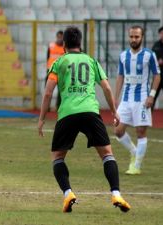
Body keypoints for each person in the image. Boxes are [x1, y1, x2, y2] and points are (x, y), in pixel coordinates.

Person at [38, 26, 130, 213]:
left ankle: (68, 193)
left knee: (57, 157)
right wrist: (114, 111)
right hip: (90, 111)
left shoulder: (59, 62)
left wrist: (41, 119)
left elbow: (48, 93)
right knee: (107, 154)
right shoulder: (91, 60)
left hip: (68, 113)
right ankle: (116, 193)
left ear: (64, 44)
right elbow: (106, 88)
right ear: (80, 43)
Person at [114, 25, 160, 175]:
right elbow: (120, 76)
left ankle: (137, 166)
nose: (134, 39)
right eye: (131, 37)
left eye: (137, 37)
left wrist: (152, 95)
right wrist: (116, 98)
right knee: (118, 130)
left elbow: (157, 75)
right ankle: (133, 152)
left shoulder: (149, 55)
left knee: (140, 131)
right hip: (126, 99)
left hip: (142, 99)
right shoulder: (123, 56)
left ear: (142, 38)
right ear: (129, 37)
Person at [46, 30, 65, 110]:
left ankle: (58, 107)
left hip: (61, 72)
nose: (60, 38)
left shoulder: (65, 48)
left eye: (61, 37)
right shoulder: (51, 46)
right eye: (59, 37)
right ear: (56, 37)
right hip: (51, 71)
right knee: (48, 90)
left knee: (61, 91)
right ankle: (47, 107)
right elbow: (48, 57)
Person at [151, 26, 163, 110]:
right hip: (157, 77)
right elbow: (151, 58)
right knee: (152, 96)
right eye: (162, 33)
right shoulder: (156, 45)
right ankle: (148, 118)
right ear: (159, 34)